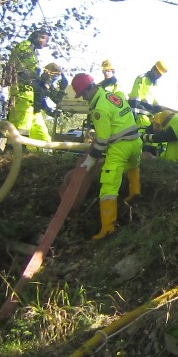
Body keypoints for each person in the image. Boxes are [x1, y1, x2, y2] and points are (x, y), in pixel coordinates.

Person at [71, 72, 141, 239]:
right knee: (133, 166)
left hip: (120, 147)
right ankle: (135, 193)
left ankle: (108, 228)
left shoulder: (99, 109)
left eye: (83, 95)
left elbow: (102, 140)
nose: (83, 99)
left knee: (108, 188)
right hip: (136, 143)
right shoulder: (112, 95)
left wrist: (91, 160)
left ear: (88, 91)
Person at [7, 29, 53, 144]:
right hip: (23, 91)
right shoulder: (26, 47)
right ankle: (18, 149)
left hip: (26, 92)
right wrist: (38, 83)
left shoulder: (30, 49)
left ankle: (17, 149)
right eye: (46, 40)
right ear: (39, 37)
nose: (46, 44)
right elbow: (24, 72)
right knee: (21, 123)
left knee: (25, 123)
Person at [128, 60, 167, 128]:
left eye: (160, 75)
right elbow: (134, 98)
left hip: (149, 119)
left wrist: (160, 116)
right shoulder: (142, 79)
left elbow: (155, 103)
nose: (159, 76)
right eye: (158, 73)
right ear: (153, 69)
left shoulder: (154, 85)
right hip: (140, 117)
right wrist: (133, 116)